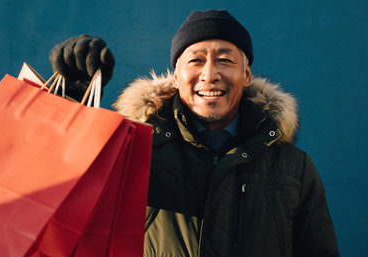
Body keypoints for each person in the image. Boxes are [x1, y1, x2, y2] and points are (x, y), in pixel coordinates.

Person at [49, 9, 340, 257]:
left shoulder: (293, 168)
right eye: (196, 60)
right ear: (176, 77)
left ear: (247, 75)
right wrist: (72, 103)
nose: (210, 74)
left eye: (225, 60)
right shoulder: (133, 153)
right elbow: (60, 190)